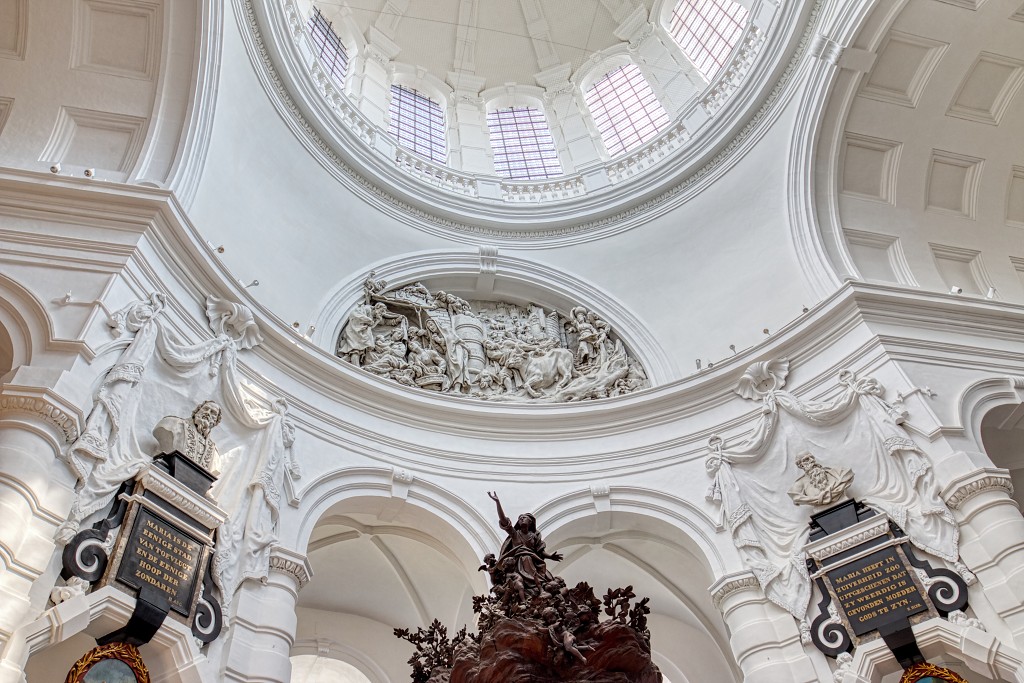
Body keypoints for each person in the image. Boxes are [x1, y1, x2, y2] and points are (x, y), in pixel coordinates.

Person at [487, 491, 562, 594]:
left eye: (524, 517)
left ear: (530, 521)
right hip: (518, 562)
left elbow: (539, 550)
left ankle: (542, 586)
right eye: (520, 518)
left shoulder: (535, 536)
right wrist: (497, 503)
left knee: (542, 571)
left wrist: (550, 556)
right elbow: (504, 521)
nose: (521, 519)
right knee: (526, 559)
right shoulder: (515, 534)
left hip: (534, 560)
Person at [152, 400, 223, 474]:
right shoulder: (172, 424)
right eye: (205, 409)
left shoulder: (215, 454)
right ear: (197, 411)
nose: (208, 413)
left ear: (216, 422)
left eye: (213, 413)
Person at [788, 452, 854, 506]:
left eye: (812, 457)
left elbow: (848, 475)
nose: (812, 460)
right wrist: (817, 498)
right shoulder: (799, 484)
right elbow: (796, 498)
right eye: (807, 459)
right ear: (801, 465)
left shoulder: (836, 472)